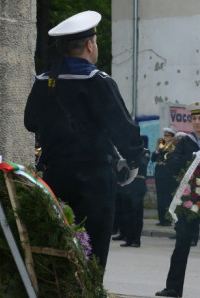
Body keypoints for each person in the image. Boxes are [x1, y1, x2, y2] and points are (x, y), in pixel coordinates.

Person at [24, 11, 143, 271]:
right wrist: (133, 161)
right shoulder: (97, 81)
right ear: (90, 45)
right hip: (94, 178)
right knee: (94, 248)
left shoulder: (44, 81)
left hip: (54, 174)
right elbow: (122, 128)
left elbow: (30, 122)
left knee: (56, 243)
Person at [155, 101, 200, 298]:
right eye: (194, 119)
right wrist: (188, 161)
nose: (196, 122)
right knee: (182, 243)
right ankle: (173, 288)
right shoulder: (185, 142)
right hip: (189, 200)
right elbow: (173, 165)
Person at [117, 144, 149, 248]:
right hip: (127, 184)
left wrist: (130, 158)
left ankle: (136, 239)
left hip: (138, 184)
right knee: (126, 213)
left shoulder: (144, 152)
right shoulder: (126, 152)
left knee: (136, 213)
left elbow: (142, 164)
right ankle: (128, 238)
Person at [152, 127, 178, 226]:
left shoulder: (174, 148)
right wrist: (158, 150)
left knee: (167, 198)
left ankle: (167, 220)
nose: (166, 138)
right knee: (160, 198)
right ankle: (161, 219)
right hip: (159, 175)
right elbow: (153, 159)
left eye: (168, 136)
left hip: (169, 176)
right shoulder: (161, 146)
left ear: (172, 137)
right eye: (165, 136)